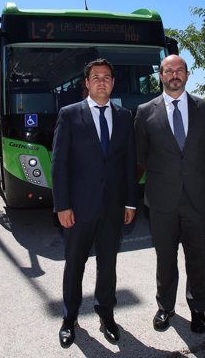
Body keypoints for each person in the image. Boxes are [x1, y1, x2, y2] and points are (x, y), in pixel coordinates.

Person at [51, 58, 137, 348]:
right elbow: (58, 164)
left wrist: (130, 203)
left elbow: (128, 164)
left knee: (108, 265)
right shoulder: (69, 114)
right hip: (77, 209)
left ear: (113, 82)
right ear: (86, 83)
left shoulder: (125, 116)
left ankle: (106, 314)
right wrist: (62, 205)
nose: (102, 81)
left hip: (113, 208)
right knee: (74, 265)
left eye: (107, 76)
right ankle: (69, 317)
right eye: (95, 77)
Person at [134, 54, 205, 334]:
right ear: (160, 75)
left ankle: (198, 310)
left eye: (179, 70)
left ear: (187, 74)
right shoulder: (145, 111)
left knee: (198, 258)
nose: (174, 74)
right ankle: (166, 308)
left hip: (198, 198)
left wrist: (191, 171)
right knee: (165, 259)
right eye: (168, 70)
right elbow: (140, 156)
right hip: (162, 201)